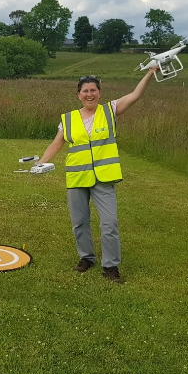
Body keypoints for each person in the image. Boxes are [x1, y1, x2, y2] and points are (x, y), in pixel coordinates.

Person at [37, 67, 160, 283]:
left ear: (99, 93)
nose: (89, 94)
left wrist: (150, 73)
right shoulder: (68, 119)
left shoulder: (109, 110)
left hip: (104, 177)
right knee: (79, 222)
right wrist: (41, 162)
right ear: (79, 95)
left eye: (93, 90)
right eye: (85, 91)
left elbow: (135, 95)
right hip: (77, 178)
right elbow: (57, 143)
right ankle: (86, 258)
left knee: (109, 223)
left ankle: (110, 267)